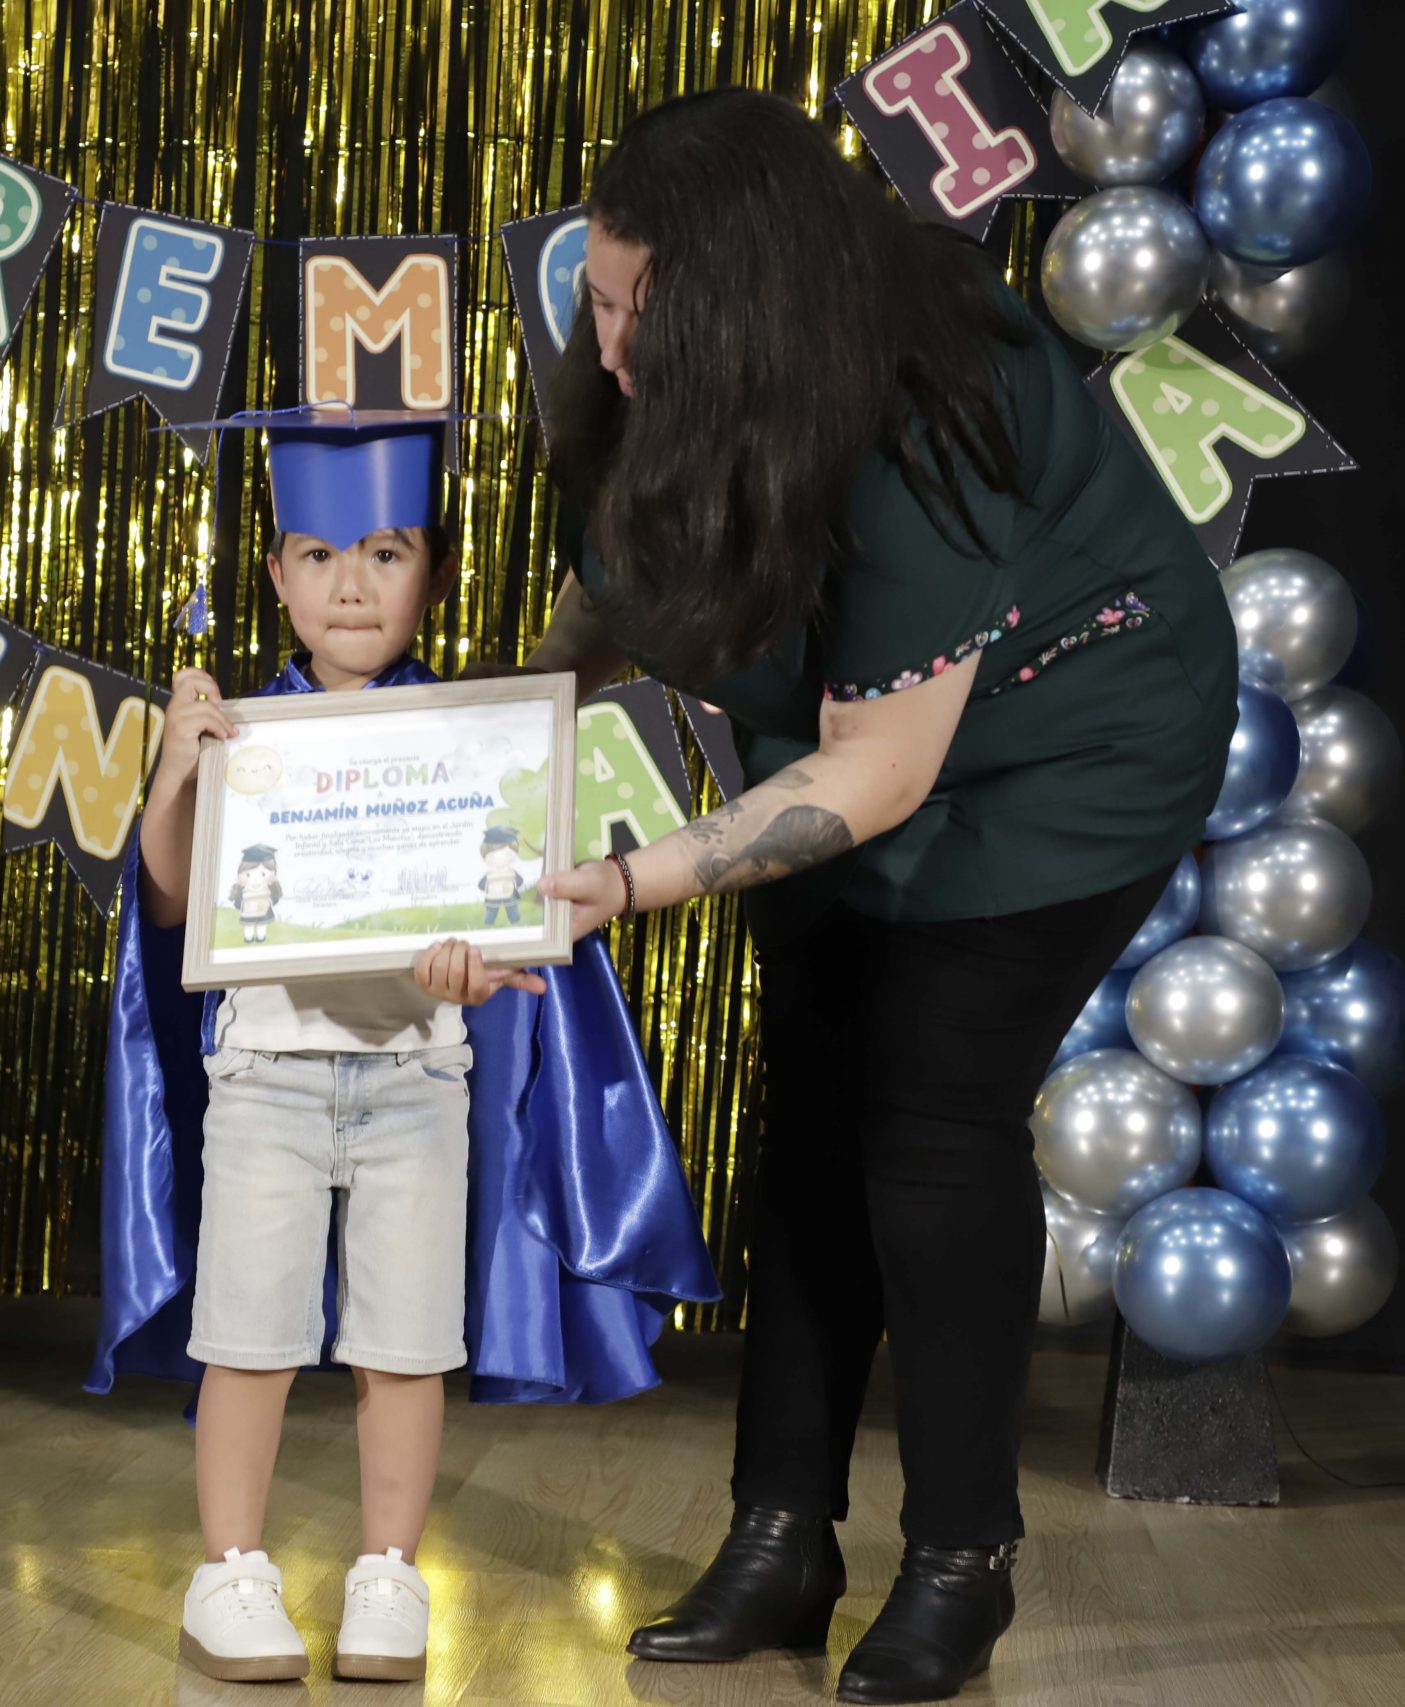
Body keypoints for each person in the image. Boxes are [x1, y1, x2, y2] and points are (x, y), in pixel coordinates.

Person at [419, 91, 1240, 1705]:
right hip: (850, 730)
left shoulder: (932, 402)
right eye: (599, 297)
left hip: (1066, 750)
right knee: (810, 1120)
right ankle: (780, 1537)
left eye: (644, 314)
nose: (613, 344)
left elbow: (877, 775)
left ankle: (961, 1558)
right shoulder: (656, 353)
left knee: (926, 1124)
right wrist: (496, 729)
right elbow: (623, 573)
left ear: (748, 311)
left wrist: (624, 882)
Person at [86, 410, 718, 1686]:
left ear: (431, 570)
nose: (351, 585)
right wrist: (174, 775)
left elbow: (503, 918)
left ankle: (388, 1572)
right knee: (247, 1337)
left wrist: (478, 967)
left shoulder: (470, 744)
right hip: (264, 1081)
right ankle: (230, 1572)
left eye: (384, 552)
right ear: (276, 574)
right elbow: (170, 899)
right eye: (319, 556)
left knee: (406, 1341)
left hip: (419, 1082)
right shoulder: (241, 732)